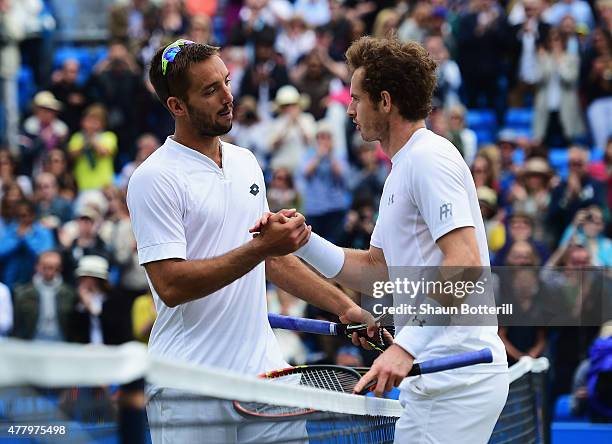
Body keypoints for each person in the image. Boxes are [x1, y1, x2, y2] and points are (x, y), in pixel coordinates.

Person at [253, 36, 509, 443]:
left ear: (385, 102)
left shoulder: (428, 159)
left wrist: (406, 345)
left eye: (356, 99)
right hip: (439, 377)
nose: (350, 110)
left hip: (455, 379)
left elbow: (465, 263)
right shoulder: (405, 167)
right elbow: (375, 271)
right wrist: (303, 240)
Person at [127, 40, 370, 443]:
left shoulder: (246, 162)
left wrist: (345, 307)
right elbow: (171, 286)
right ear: (176, 106)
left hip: (266, 378)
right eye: (210, 91)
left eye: (226, 81)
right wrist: (261, 248)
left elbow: (271, 261)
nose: (228, 97)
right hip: (190, 386)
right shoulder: (154, 178)